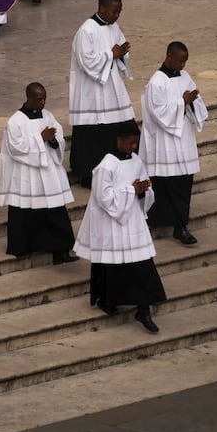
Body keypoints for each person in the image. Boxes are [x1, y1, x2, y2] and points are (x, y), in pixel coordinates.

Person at [74, 121, 166, 333]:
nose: (134, 147)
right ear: (119, 140)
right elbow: (103, 197)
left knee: (142, 264)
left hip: (132, 220)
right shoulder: (107, 165)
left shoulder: (136, 160)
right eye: (131, 143)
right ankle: (107, 301)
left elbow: (144, 188)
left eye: (136, 143)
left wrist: (143, 191)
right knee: (112, 265)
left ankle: (143, 310)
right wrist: (131, 190)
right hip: (111, 223)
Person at [0, 82, 78, 262]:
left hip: (49, 172)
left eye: (44, 99)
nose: (43, 103)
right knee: (25, 212)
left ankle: (60, 251)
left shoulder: (48, 116)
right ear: (29, 98)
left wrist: (53, 141)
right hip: (27, 174)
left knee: (55, 210)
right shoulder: (15, 121)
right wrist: (40, 138)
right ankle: (23, 248)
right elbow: (15, 148)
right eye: (39, 99)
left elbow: (58, 136)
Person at [141, 41, 208, 246]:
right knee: (166, 185)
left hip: (183, 139)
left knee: (183, 183)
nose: (183, 65)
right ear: (169, 55)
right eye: (181, 60)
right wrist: (182, 102)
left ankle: (181, 226)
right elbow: (158, 113)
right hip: (164, 143)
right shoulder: (156, 82)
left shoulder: (185, 77)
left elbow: (197, 102)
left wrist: (192, 101)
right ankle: (158, 223)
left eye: (185, 61)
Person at [68, 0, 134, 185]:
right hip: (91, 90)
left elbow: (120, 49)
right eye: (114, 12)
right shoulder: (86, 31)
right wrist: (110, 54)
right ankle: (89, 175)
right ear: (102, 8)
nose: (116, 16)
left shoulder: (113, 26)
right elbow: (85, 61)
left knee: (116, 126)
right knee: (93, 133)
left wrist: (122, 54)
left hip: (111, 85)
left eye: (119, 12)